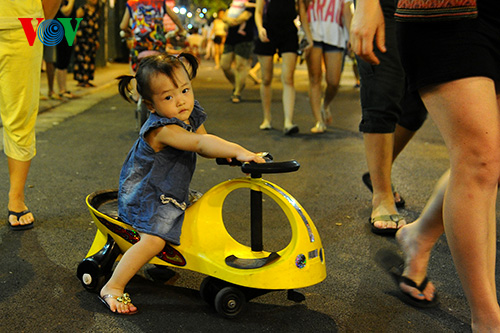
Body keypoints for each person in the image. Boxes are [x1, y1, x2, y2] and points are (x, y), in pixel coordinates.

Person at [355, 0, 500, 329]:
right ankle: (488, 321)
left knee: (491, 162)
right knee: (479, 160)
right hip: (446, 12)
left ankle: (419, 235)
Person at [98, 52, 266, 314]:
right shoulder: (162, 129)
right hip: (146, 196)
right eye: (168, 97)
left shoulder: (189, 115)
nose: (181, 101)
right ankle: (114, 287)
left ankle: (161, 263)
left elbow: (205, 144)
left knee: (194, 216)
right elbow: (198, 143)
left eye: (185, 90)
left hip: (168, 191)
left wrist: (229, 153)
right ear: (151, 106)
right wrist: (239, 149)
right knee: (153, 240)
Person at [350, 0, 427, 235]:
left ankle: (378, 173)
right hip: (386, 5)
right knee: (382, 89)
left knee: (419, 104)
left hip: (432, 9)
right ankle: (382, 196)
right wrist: (366, 6)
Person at [1, 0, 62, 230]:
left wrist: (38, 20)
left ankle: (16, 197)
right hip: (24, 20)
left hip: (22, 23)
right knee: (19, 114)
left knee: (20, 114)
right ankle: (16, 199)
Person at [254, 0, 310, 135]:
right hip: (267, 30)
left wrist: (309, 37)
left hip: (289, 32)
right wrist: (260, 28)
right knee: (266, 78)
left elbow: (302, 13)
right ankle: (267, 118)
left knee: (288, 77)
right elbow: (258, 11)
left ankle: (288, 122)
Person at [301, 0, 351, 134]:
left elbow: (346, 12)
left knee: (334, 82)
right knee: (315, 78)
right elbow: (302, 10)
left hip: (334, 33)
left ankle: (325, 105)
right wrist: (307, 35)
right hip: (312, 33)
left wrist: (351, 36)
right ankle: (319, 121)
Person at [220, 0, 256, 103]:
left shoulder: (250, 2)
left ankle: (237, 93)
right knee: (224, 65)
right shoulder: (233, 2)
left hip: (245, 37)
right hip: (230, 37)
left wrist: (230, 21)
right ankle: (237, 85)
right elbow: (224, 16)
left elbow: (245, 16)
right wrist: (230, 21)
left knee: (241, 65)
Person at [73, 0, 99, 88]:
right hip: (82, 39)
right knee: (82, 59)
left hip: (91, 39)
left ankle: (87, 79)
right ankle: (81, 80)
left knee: (90, 59)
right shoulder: (82, 9)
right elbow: (74, 21)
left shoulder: (95, 10)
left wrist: (96, 40)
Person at [55, 0, 77, 99]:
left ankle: (64, 87)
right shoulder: (61, 2)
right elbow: (66, 11)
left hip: (69, 29)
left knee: (66, 61)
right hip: (61, 30)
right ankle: (61, 89)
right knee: (61, 60)